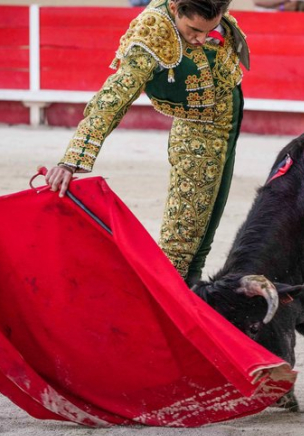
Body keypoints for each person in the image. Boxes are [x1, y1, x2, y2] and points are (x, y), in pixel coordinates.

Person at [45, 0, 250, 286]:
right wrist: (72, 160)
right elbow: (113, 98)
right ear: (177, 7)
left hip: (227, 120)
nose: (201, 38)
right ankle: (173, 300)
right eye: (193, 29)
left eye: (210, 28)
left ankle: (190, 297)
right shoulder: (151, 34)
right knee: (183, 238)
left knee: (205, 228)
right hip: (198, 132)